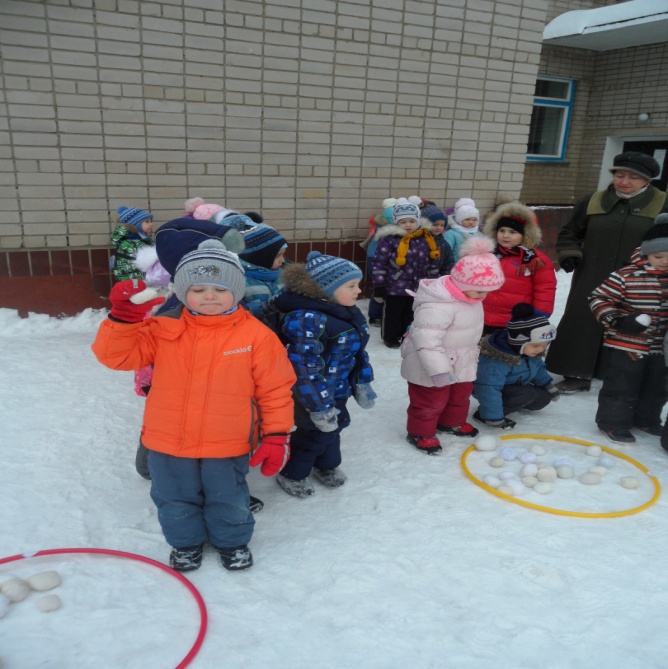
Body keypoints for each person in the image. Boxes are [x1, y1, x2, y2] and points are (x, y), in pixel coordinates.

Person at [92, 240, 296, 572]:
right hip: (168, 440)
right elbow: (117, 356)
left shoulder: (256, 337)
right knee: (174, 497)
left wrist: (276, 434)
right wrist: (123, 320)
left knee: (228, 497)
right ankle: (185, 543)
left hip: (227, 441)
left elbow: (275, 390)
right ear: (183, 291)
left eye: (220, 288)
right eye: (198, 289)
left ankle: (232, 541)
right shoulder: (162, 327)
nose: (209, 296)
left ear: (237, 290)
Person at [546, 151, 668, 393]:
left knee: (632, 321)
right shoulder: (593, 200)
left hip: (643, 279)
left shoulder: (662, 203)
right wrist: (570, 253)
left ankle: (619, 373)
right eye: (619, 175)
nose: (624, 182)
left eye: (633, 177)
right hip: (593, 273)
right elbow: (570, 232)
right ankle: (576, 372)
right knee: (584, 317)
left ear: (647, 181)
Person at [272, 252, 376, 497]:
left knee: (334, 428)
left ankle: (326, 466)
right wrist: (318, 406)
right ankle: (292, 474)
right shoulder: (308, 320)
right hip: (309, 396)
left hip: (337, 388)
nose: (359, 290)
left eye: (357, 284)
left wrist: (362, 381)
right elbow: (303, 369)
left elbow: (358, 352)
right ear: (326, 290)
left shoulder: (347, 312)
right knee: (312, 436)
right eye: (351, 285)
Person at [400, 236, 505, 454]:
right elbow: (426, 342)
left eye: (488, 292)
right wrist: (438, 371)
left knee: (460, 395)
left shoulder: (471, 298)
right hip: (429, 363)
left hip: (462, 359)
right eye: (480, 291)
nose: (484, 296)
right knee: (430, 401)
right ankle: (421, 432)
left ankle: (451, 422)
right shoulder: (438, 306)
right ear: (463, 283)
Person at [588, 214, 668, 443]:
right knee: (622, 385)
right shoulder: (626, 276)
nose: (664, 261)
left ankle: (647, 419)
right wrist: (618, 320)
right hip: (627, 343)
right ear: (645, 253)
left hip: (661, 347)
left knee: (657, 388)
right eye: (658, 255)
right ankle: (613, 423)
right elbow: (598, 298)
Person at [473, 302, 559, 429]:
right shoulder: (495, 361)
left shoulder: (529, 352)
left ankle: (511, 403)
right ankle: (484, 414)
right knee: (527, 394)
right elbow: (488, 389)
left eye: (544, 345)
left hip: (514, 387)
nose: (540, 349)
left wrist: (548, 385)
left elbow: (538, 369)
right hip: (488, 388)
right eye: (536, 346)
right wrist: (494, 418)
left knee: (543, 398)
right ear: (519, 343)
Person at [371, 197, 441, 348]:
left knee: (411, 314)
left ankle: (406, 336)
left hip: (418, 286)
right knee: (393, 314)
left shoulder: (425, 238)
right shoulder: (389, 239)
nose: (408, 225)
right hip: (394, 285)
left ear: (418, 220)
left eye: (411, 221)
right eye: (403, 222)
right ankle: (391, 337)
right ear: (396, 222)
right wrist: (379, 285)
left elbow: (433, 261)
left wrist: (434, 281)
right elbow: (379, 263)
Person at [481, 200, 557, 335]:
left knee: (504, 354)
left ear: (525, 235)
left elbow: (545, 288)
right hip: (481, 316)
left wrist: (539, 315)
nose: (505, 235)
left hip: (514, 320)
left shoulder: (535, 260)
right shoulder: (486, 253)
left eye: (512, 232)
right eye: (502, 230)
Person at [360, 198, 395, 326]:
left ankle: (380, 315)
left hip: (381, 263)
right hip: (378, 262)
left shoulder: (383, 228)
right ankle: (375, 315)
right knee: (379, 291)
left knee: (383, 291)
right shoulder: (386, 232)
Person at [110, 206, 155, 282]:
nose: (151, 224)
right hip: (135, 281)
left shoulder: (139, 238)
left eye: (151, 221)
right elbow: (150, 259)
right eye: (147, 222)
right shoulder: (132, 241)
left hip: (136, 279)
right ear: (135, 224)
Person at [422, 204, 455, 276]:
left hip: (436, 278)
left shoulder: (443, 243)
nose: (439, 228)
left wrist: (444, 278)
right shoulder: (419, 241)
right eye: (435, 225)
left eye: (442, 225)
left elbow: (448, 262)